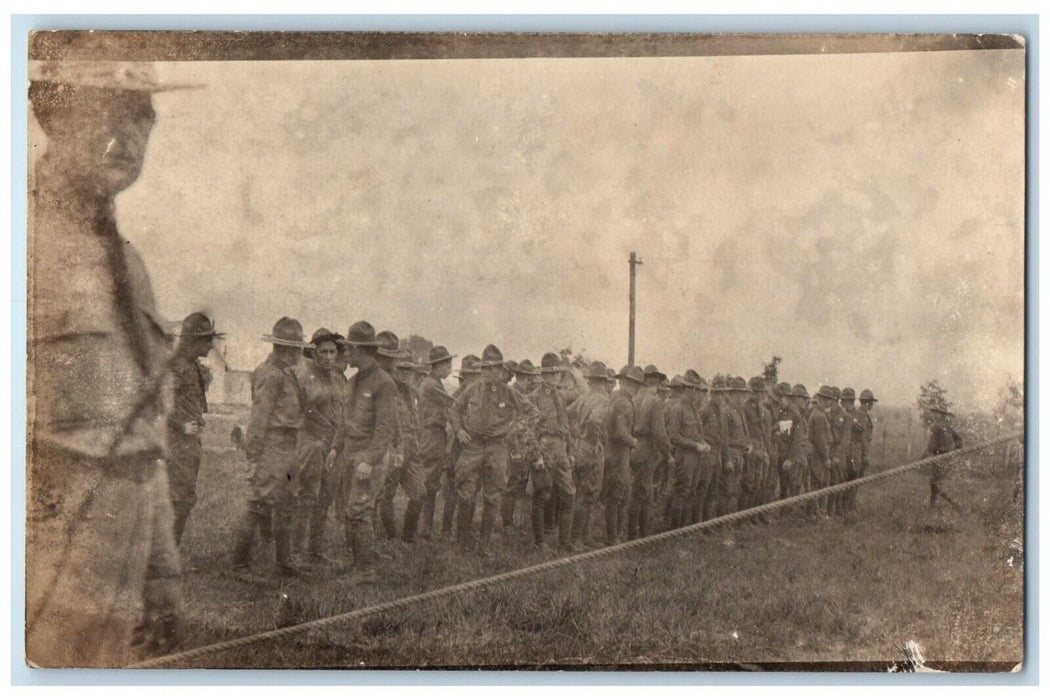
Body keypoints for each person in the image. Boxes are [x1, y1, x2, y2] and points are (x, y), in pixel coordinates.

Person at [27, 60, 188, 666]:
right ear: (54, 115)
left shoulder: (131, 265)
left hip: (117, 577)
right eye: (108, 110)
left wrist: (162, 577)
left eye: (143, 114)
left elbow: (146, 442)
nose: (131, 132)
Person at [230, 317, 310, 581]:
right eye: (292, 348)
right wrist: (253, 456)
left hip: (289, 446)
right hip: (273, 446)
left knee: (287, 503)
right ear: (281, 348)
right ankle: (239, 565)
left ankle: (284, 561)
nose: (297, 354)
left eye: (297, 348)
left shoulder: (287, 372)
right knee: (259, 503)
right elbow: (259, 418)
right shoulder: (270, 374)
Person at [449, 345, 538, 555]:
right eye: (483, 369)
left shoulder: (509, 392)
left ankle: (484, 545)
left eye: (491, 369)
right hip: (472, 446)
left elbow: (532, 413)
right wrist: (458, 429)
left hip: (497, 447)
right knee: (466, 495)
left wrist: (514, 430)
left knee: (492, 497)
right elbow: (455, 410)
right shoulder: (472, 389)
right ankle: (462, 542)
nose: (486, 373)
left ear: (500, 371)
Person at [327, 321, 397, 582]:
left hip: (369, 456)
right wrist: (335, 448)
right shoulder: (355, 381)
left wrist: (369, 460)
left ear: (361, 350)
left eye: (349, 348)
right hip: (350, 453)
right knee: (351, 510)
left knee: (360, 510)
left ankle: (366, 570)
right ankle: (358, 564)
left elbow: (384, 429)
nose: (346, 354)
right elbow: (345, 421)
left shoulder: (383, 383)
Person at [290, 328, 347, 567]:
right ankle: (296, 552)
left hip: (333, 446)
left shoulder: (339, 378)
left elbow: (344, 412)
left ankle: (315, 550)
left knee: (326, 496)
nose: (327, 356)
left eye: (332, 352)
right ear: (313, 352)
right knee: (307, 496)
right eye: (322, 352)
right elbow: (298, 413)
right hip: (311, 443)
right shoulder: (302, 377)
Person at [167, 313, 223, 545]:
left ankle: (168, 552)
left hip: (188, 443)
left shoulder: (191, 366)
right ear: (192, 340)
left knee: (184, 498)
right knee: (177, 498)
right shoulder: (176, 367)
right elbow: (157, 404)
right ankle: (164, 554)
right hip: (174, 442)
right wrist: (181, 426)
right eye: (206, 340)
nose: (211, 345)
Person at [529, 353, 577, 550]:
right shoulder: (534, 398)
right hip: (543, 448)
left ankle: (564, 542)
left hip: (560, 450)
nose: (555, 377)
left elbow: (566, 426)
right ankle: (539, 542)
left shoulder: (560, 396)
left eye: (557, 374)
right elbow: (527, 430)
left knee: (568, 494)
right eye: (551, 374)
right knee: (542, 495)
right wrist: (536, 455)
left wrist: (571, 450)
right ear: (544, 375)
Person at [567, 361, 612, 548]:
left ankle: (583, 537)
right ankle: (576, 538)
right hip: (592, 449)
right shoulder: (603, 399)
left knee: (582, 493)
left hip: (580, 447)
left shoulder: (584, 397)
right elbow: (595, 420)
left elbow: (567, 413)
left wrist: (575, 434)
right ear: (603, 381)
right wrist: (595, 442)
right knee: (588, 494)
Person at [628, 365, 675, 538]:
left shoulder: (633, 397)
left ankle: (634, 530)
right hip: (646, 448)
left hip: (632, 445)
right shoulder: (654, 401)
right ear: (654, 382)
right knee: (645, 492)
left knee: (635, 489)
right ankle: (640, 532)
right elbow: (659, 433)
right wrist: (667, 454)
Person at [439, 354, 482, 539]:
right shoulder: (457, 396)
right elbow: (450, 416)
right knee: (453, 489)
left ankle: (465, 529)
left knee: (473, 488)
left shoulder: (482, 395)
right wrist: (459, 430)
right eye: (470, 374)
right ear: (464, 376)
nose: (474, 378)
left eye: (477, 374)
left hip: (476, 447)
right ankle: (446, 530)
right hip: (458, 446)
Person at [416, 346, 456, 540]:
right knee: (430, 482)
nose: (449, 367)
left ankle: (426, 527)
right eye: (446, 364)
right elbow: (453, 403)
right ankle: (425, 528)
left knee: (431, 482)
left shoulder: (434, 382)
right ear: (437, 365)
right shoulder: (432, 384)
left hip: (435, 434)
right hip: (432, 435)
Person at [665, 370, 712, 529]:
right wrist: (695, 445)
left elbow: (697, 432)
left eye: (696, 390)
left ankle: (684, 529)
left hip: (695, 457)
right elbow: (673, 437)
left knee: (691, 491)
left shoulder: (693, 409)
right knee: (682, 492)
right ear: (686, 389)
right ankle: (674, 530)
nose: (696, 393)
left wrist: (703, 442)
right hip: (684, 457)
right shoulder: (678, 409)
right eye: (693, 389)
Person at [602, 366, 642, 545]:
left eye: (636, 384)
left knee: (615, 494)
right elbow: (620, 433)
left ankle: (613, 535)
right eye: (633, 384)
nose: (634, 388)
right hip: (619, 453)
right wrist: (633, 441)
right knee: (617, 495)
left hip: (610, 451)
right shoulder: (624, 403)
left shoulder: (614, 397)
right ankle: (613, 537)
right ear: (625, 383)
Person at [503, 359, 540, 533]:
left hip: (522, 444)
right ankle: (508, 524)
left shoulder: (521, 393)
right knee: (511, 485)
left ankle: (515, 523)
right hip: (514, 445)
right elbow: (511, 423)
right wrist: (515, 450)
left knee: (520, 484)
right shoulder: (513, 393)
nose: (531, 381)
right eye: (529, 377)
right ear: (524, 377)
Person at [741, 377, 771, 515]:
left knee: (759, 482)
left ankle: (752, 515)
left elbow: (764, 431)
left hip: (760, 445)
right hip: (751, 446)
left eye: (761, 393)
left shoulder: (761, 408)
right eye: (756, 392)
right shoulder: (746, 407)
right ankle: (744, 516)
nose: (759, 395)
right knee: (749, 482)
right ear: (751, 392)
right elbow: (749, 427)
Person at [923, 404, 963, 508]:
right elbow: (959, 441)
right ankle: (932, 505)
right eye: (934, 412)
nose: (934, 415)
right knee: (934, 483)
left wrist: (926, 456)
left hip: (939, 457)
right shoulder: (947, 427)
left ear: (941, 414)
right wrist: (954, 451)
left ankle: (953, 503)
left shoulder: (937, 427)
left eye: (936, 412)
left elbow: (931, 446)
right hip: (945, 458)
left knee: (934, 484)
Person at [807, 386, 835, 521]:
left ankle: (817, 513)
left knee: (819, 482)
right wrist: (826, 458)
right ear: (822, 399)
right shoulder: (819, 416)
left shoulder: (820, 414)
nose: (829, 402)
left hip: (818, 453)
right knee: (818, 482)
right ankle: (817, 514)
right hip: (818, 454)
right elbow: (820, 440)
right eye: (827, 399)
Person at [827, 387, 852, 517]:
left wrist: (838, 456)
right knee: (827, 481)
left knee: (838, 481)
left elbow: (845, 439)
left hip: (838, 452)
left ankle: (837, 509)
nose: (830, 403)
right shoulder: (827, 414)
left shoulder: (846, 416)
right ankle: (827, 510)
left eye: (832, 400)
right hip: (828, 450)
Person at [840, 387, 864, 516]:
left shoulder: (859, 414)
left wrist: (851, 423)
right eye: (844, 400)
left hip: (854, 448)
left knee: (854, 475)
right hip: (844, 448)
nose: (845, 403)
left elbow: (862, 429)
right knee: (842, 476)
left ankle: (851, 505)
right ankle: (843, 507)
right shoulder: (840, 413)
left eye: (847, 400)